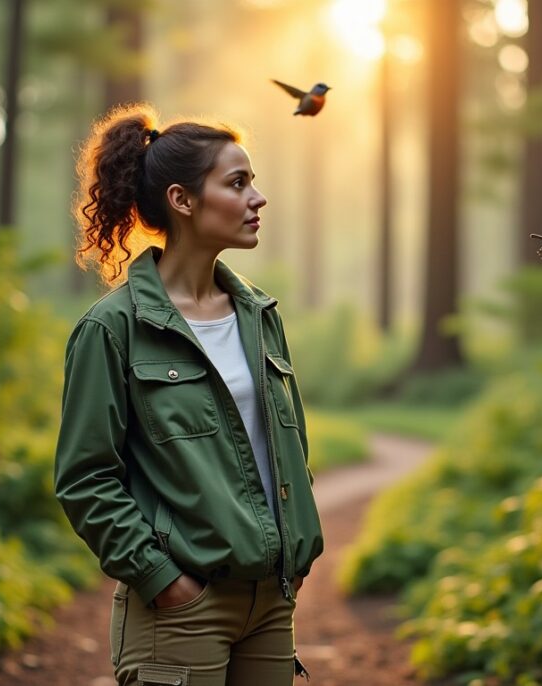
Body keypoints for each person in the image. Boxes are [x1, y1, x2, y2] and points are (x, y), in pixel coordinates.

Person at [54, 104, 323, 686]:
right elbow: (85, 478)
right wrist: (162, 578)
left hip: (271, 605)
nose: (258, 198)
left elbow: (288, 445)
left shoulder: (259, 316)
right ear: (182, 200)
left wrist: (293, 552)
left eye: (252, 181)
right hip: (180, 611)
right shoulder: (113, 328)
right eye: (237, 182)